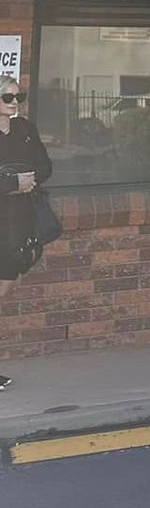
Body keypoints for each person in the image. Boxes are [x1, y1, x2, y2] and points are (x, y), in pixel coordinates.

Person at [0, 77, 55, 392]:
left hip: (21, 223)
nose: (14, 101)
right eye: (7, 96)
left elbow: (45, 166)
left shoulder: (25, 129)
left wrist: (30, 179)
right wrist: (11, 184)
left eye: (18, 96)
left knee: (9, 284)